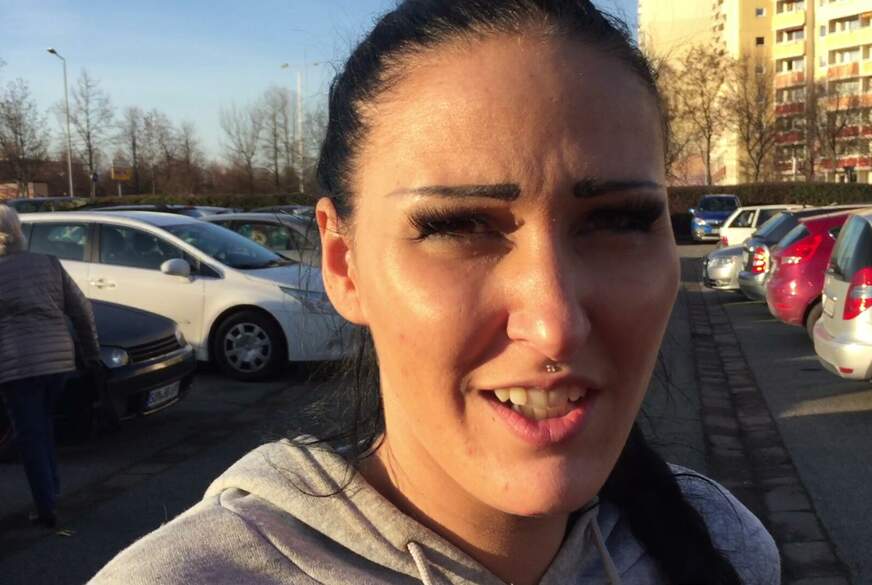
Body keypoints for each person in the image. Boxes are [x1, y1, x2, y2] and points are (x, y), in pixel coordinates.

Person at [91, 1, 779, 583]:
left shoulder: (724, 544)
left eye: (618, 221)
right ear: (343, 264)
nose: (555, 323)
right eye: (458, 227)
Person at [0, 205, 100, 528]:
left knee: (31, 434)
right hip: (58, 362)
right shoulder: (49, 263)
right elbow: (81, 310)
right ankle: (51, 493)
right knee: (42, 427)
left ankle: (46, 507)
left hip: (17, 366)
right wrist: (92, 353)